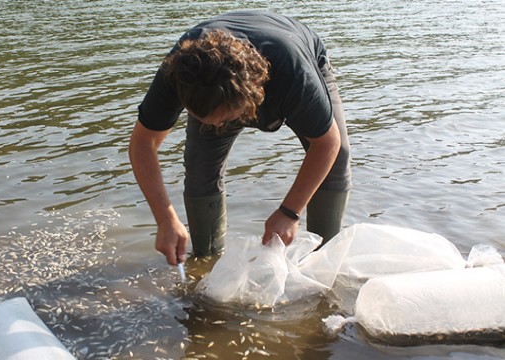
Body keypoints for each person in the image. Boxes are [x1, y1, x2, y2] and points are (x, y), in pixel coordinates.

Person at [129, 10, 352, 266]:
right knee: (200, 168)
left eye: (224, 119)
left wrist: (289, 212)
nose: (217, 126)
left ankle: (322, 262)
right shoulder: (179, 72)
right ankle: (206, 261)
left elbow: (328, 143)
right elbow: (142, 143)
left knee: (338, 158)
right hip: (213, 85)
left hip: (294, 54)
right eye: (204, 118)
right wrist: (165, 218)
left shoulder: (294, 76)